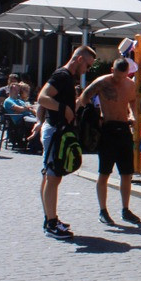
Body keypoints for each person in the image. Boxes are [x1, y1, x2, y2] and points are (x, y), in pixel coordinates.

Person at [37, 45, 97, 239]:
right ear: (79, 59)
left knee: (50, 176)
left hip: (55, 128)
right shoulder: (62, 75)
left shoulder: (66, 77)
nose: (87, 70)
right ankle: (51, 223)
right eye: (87, 65)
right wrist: (64, 108)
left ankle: (50, 218)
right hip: (56, 130)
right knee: (53, 177)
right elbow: (42, 98)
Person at [77, 58, 141, 226]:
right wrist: (93, 115)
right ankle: (103, 210)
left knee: (127, 173)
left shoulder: (130, 85)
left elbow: (133, 102)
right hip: (108, 128)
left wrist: (133, 115)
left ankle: (125, 209)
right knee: (104, 172)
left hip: (124, 129)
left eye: (123, 76)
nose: (119, 80)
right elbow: (84, 97)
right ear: (112, 69)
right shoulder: (102, 82)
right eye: (117, 76)